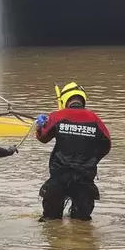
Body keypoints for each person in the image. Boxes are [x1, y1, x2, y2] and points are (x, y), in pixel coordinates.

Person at [35, 82, 111, 221]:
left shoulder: (57, 116)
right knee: (82, 222)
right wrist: (93, 159)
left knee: (50, 220)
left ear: (65, 100)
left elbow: (43, 138)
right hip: (84, 177)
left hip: (59, 176)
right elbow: (107, 144)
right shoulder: (94, 119)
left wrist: (39, 126)